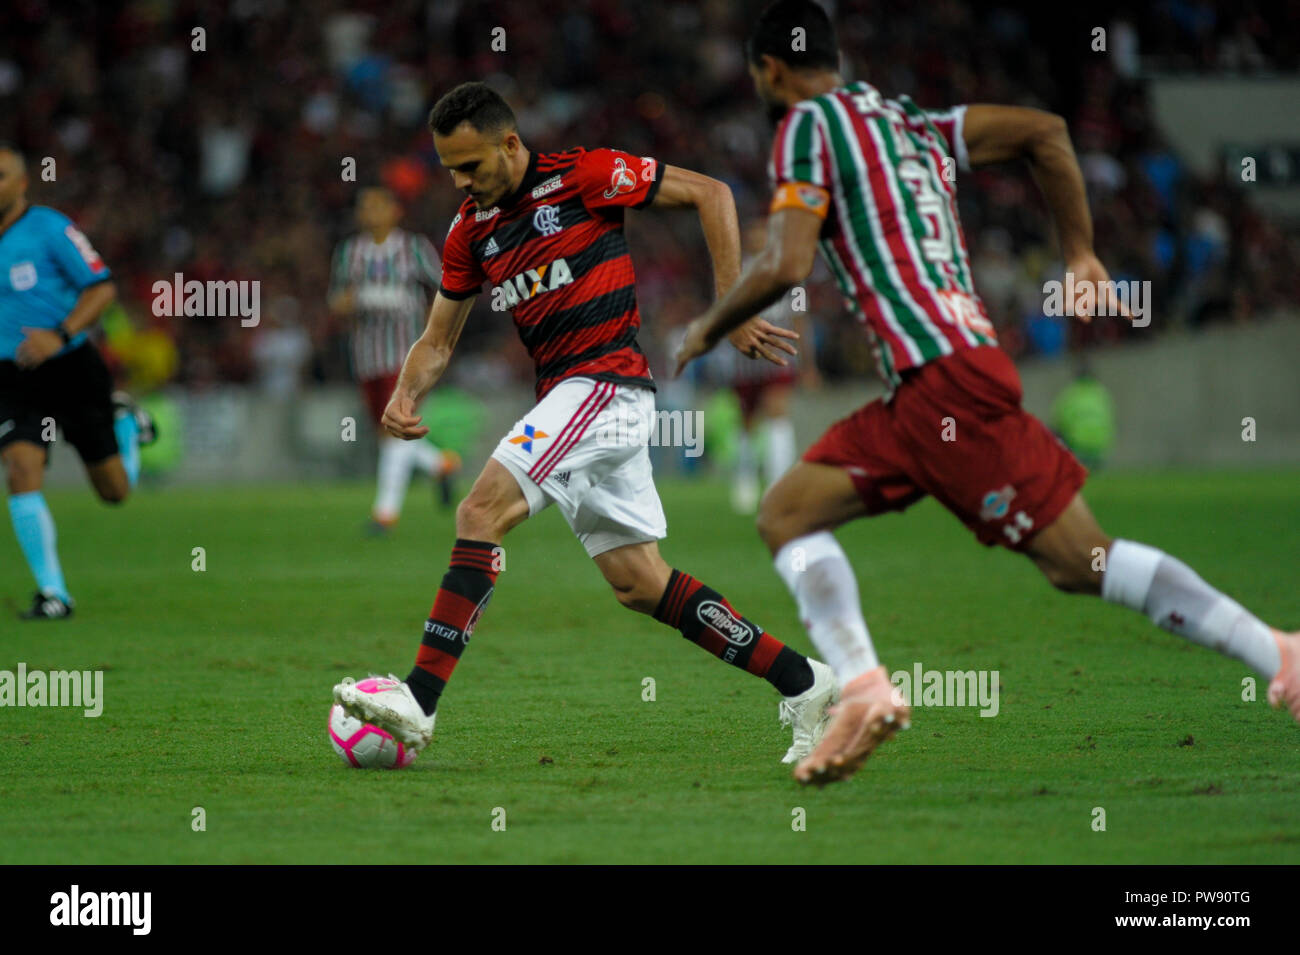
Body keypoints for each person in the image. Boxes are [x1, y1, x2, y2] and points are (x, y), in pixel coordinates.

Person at [673, 0, 1299, 786]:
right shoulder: (914, 123)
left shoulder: (806, 126)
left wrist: (709, 322)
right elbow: (1046, 131)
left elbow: (791, 261)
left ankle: (1277, 652)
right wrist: (1079, 254)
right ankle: (862, 687)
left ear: (770, 71)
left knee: (1081, 559)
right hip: (935, 385)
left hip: (944, 386)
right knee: (786, 511)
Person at [335, 82, 837, 763]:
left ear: (510, 144)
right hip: (573, 401)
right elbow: (438, 338)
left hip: (605, 385)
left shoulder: (583, 176)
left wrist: (731, 307)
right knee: (640, 583)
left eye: (472, 166)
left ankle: (418, 700)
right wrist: (406, 390)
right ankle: (805, 680)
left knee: (479, 512)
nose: (461, 182)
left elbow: (711, 193)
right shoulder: (469, 231)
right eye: (450, 169)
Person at [0, 144, 154, 619]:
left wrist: (60, 333)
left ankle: (124, 426)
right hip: (11, 375)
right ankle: (54, 594)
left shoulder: (49, 227)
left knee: (113, 491)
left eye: (0, 175)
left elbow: (102, 286)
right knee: (21, 469)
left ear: (22, 183)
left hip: (69, 366)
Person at [329, 186, 460, 530]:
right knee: (387, 432)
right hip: (367, 355)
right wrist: (351, 302)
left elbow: (446, 287)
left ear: (394, 211)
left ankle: (384, 515)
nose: (369, 212)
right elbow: (337, 301)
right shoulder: (349, 253)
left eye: (377, 205)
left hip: (405, 353)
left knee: (394, 428)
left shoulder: (413, 248)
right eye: (364, 207)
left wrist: (437, 333)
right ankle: (440, 464)